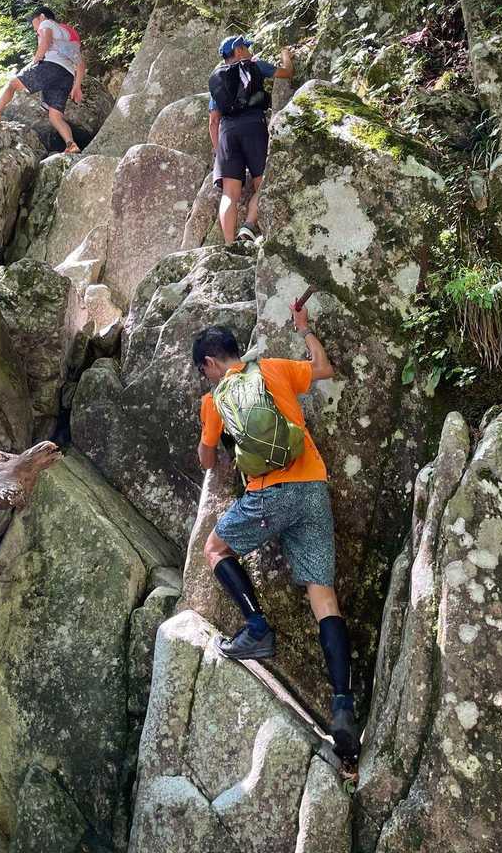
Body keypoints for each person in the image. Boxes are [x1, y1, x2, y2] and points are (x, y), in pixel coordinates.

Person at [192, 305, 359, 763]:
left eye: (204, 371)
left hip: (269, 493)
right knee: (323, 595)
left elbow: (207, 460)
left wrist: (210, 432)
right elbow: (324, 368)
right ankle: (343, 708)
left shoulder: (215, 399)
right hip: (313, 487)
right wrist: (304, 330)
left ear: (210, 363)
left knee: (215, 547)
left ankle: (257, 628)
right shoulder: (275, 368)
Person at [208, 35, 293, 245]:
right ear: (238, 50)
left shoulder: (219, 79)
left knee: (229, 193)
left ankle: (229, 245)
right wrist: (286, 55)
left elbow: (213, 120)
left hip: (227, 132)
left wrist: (219, 152)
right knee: (262, 183)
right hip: (254, 126)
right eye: (245, 48)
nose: (249, 51)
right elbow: (287, 72)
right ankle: (247, 226)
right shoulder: (255, 66)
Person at [0, 6, 85, 153]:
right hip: (67, 76)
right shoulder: (68, 33)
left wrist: (36, 59)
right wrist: (77, 86)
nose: (34, 27)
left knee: (12, 84)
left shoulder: (46, 23)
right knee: (55, 116)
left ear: (41, 16)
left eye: (33, 21)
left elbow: (45, 41)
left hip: (50, 66)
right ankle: (71, 144)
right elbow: (81, 63)